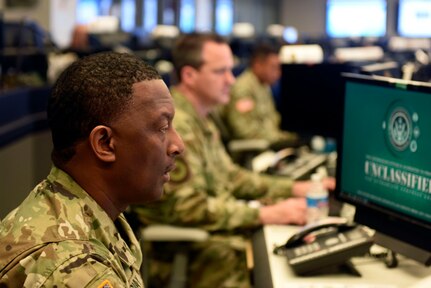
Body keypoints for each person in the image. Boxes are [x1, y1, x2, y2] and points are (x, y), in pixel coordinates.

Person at [131, 33, 335, 288]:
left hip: (209, 231)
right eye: (221, 72)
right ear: (190, 76)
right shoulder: (177, 125)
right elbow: (186, 208)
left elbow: (230, 176)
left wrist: (294, 188)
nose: (231, 79)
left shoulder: (200, 117)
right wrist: (265, 213)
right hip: (183, 251)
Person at [0, 52, 184, 287]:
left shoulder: (79, 210)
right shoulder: (73, 267)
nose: (178, 145)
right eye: (162, 127)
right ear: (104, 144)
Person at [220, 43, 298, 146]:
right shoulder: (243, 88)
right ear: (258, 65)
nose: (278, 73)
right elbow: (244, 131)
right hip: (255, 150)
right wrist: (279, 138)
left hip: (270, 141)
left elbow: (273, 120)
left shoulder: (263, 86)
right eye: (273, 67)